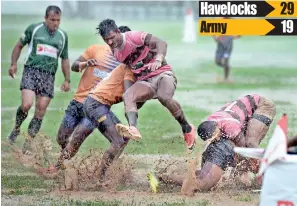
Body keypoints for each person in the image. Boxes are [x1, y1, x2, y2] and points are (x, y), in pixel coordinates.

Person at [97, 19, 196, 153]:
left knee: (164, 97)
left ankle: (187, 128)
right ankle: (133, 128)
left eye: (111, 38)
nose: (109, 42)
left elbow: (161, 43)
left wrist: (158, 59)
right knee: (128, 95)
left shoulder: (134, 37)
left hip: (163, 74)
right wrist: (132, 99)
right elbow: (130, 70)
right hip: (145, 81)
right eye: (106, 40)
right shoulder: (115, 52)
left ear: (118, 32)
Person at [158, 94, 276, 195]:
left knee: (250, 143)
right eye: (212, 138)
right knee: (204, 181)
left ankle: (266, 177)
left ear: (218, 129)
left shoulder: (229, 127)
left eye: (216, 136)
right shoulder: (211, 123)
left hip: (261, 105)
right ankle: (165, 177)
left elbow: (244, 147)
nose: (215, 138)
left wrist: (254, 165)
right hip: (231, 133)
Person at [7, 5, 70, 154]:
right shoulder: (34, 29)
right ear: (45, 18)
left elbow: (65, 58)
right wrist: (14, 64)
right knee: (27, 105)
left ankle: (29, 141)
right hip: (31, 71)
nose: (55, 23)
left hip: (48, 76)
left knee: (40, 110)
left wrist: (67, 79)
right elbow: (18, 46)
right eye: (52, 20)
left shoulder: (62, 36)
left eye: (58, 20)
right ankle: (16, 129)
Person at [56, 26, 131, 150]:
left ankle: (58, 166)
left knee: (76, 140)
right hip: (78, 102)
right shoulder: (95, 50)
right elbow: (74, 66)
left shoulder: (126, 64)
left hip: (95, 107)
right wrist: (84, 64)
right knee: (61, 138)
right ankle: (63, 161)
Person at [213, 18, 240, 82]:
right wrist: (215, 38)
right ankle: (227, 67)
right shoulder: (219, 20)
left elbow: (240, 34)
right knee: (217, 62)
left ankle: (226, 78)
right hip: (220, 44)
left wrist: (232, 37)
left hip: (228, 45)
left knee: (226, 60)